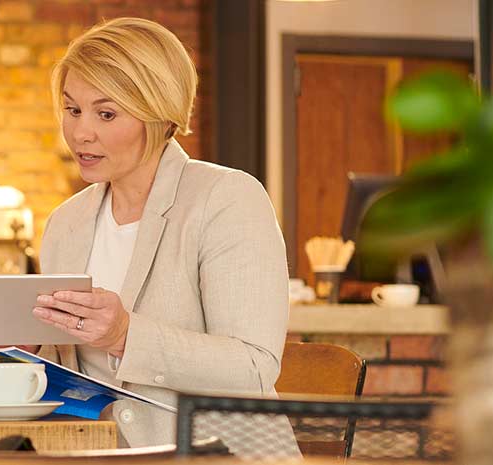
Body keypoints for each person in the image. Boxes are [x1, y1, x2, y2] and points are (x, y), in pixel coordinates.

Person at [28, 18, 296, 452]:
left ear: (160, 113)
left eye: (106, 113)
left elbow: (253, 368)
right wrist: (14, 349)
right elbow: (72, 375)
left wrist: (124, 335)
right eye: (72, 109)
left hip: (217, 456)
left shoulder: (226, 198)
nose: (81, 132)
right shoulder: (66, 222)